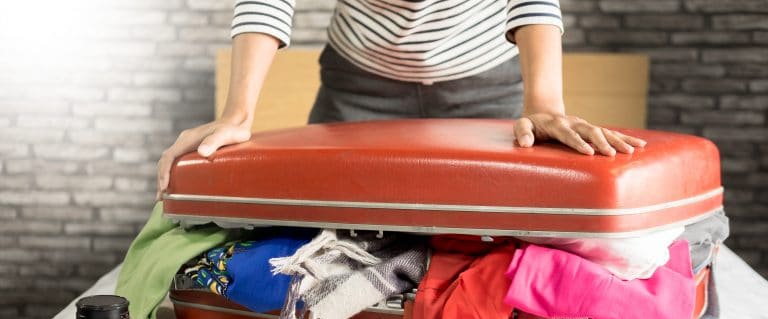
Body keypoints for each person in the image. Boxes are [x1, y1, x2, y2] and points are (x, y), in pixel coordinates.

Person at [156, 0, 647, 199]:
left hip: (484, 81)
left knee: (490, 229)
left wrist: (545, 105)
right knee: (326, 219)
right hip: (359, 83)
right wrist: (238, 113)